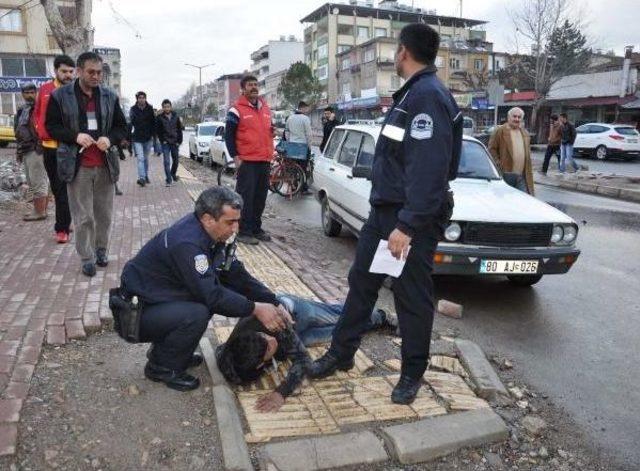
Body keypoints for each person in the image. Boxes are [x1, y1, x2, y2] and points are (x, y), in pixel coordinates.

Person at [307, 23, 463, 405]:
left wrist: (407, 226)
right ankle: (342, 354)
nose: (395, 56)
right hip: (385, 215)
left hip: (408, 221)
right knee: (361, 283)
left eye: (395, 50)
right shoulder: (411, 96)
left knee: (411, 296)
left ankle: (411, 373)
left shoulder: (426, 97)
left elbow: (429, 170)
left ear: (404, 52)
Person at [117, 186, 292, 391]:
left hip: (155, 302)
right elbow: (213, 296)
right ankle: (161, 367)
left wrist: (273, 301)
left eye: (237, 221)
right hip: (134, 316)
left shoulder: (210, 235)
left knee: (200, 303)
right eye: (230, 222)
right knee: (199, 311)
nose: (235, 228)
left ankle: (167, 353)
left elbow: (234, 273)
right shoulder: (188, 244)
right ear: (209, 219)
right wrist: (255, 308)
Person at [216, 293, 394, 412]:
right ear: (260, 363)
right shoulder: (238, 362)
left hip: (295, 313)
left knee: (341, 316)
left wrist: (282, 392)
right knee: (339, 333)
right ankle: (370, 320)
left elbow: (302, 359)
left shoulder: (270, 326)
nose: (272, 340)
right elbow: (228, 364)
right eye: (269, 348)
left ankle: (380, 316)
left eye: (264, 336)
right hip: (294, 338)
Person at [45, 51, 128, 277]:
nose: (96, 76)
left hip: (105, 164)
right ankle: (87, 257)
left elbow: (122, 126)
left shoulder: (109, 96)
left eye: (99, 72)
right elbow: (51, 126)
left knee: (104, 214)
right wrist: (75, 136)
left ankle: (101, 250)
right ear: (79, 71)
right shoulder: (60, 96)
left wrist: (109, 139)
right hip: (77, 165)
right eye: (91, 72)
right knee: (83, 216)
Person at [225, 75, 274, 245]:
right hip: (247, 161)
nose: (254, 87)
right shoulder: (236, 109)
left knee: (260, 197)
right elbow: (229, 136)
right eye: (250, 85)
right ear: (243, 89)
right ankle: (243, 231)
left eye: (256, 84)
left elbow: (267, 131)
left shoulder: (265, 108)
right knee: (246, 196)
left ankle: (255, 228)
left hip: (265, 159)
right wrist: (236, 157)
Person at [33, 54, 75, 243]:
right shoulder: (45, 90)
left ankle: (65, 222)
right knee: (59, 189)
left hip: (72, 147)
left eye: (70, 72)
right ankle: (62, 228)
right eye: (64, 71)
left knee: (72, 188)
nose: (68, 75)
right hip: (51, 147)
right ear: (56, 71)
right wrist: (41, 133)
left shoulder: (76, 91)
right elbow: (37, 115)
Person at [14, 83, 49, 221]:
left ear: (36, 93)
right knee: (32, 180)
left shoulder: (39, 108)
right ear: (22, 94)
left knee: (37, 181)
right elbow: (18, 131)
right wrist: (19, 151)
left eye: (32, 92)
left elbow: (43, 129)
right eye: (26, 92)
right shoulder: (22, 110)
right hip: (26, 149)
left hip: (36, 149)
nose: (29, 95)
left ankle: (40, 212)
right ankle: (40, 210)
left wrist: (40, 146)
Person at [488, 107, 534, 194]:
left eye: (519, 117)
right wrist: (498, 164)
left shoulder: (525, 133)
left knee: (523, 201)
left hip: (521, 177)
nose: (517, 119)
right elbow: (491, 149)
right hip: (505, 175)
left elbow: (527, 155)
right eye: (514, 116)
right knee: (505, 201)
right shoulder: (500, 131)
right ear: (508, 117)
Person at [284, 101, 313, 193]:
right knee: (303, 168)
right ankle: (303, 189)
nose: (307, 110)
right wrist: (309, 146)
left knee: (293, 168)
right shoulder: (305, 119)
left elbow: (286, 132)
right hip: (302, 147)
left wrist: (290, 142)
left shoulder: (290, 118)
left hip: (292, 146)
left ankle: (293, 187)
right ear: (302, 108)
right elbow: (309, 134)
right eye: (306, 108)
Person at [129, 91, 156, 187]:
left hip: (148, 138)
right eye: (140, 97)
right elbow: (131, 123)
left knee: (145, 159)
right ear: (137, 99)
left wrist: (153, 135)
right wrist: (128, 137)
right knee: (140, 158)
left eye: (143, 97)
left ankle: (146, 175)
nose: (141, 99)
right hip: (137, 138)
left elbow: (153, 122)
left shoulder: (150, 108)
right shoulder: (133, 109)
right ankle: (142, 178)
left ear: (145, 98)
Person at [156, 99, 183, 186]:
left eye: (168, 107)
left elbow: (179, 129)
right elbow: (158, 131)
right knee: (166, 161)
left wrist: (179, 141)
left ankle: (173, 173)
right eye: (165, 107)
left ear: (171, 107)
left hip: (175, 143)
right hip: (165, 143)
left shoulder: (176, 116)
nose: (167, 108)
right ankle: (168, 179)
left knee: (176, 161)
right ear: (163, 108)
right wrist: (162, 140)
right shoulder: (159, 118)